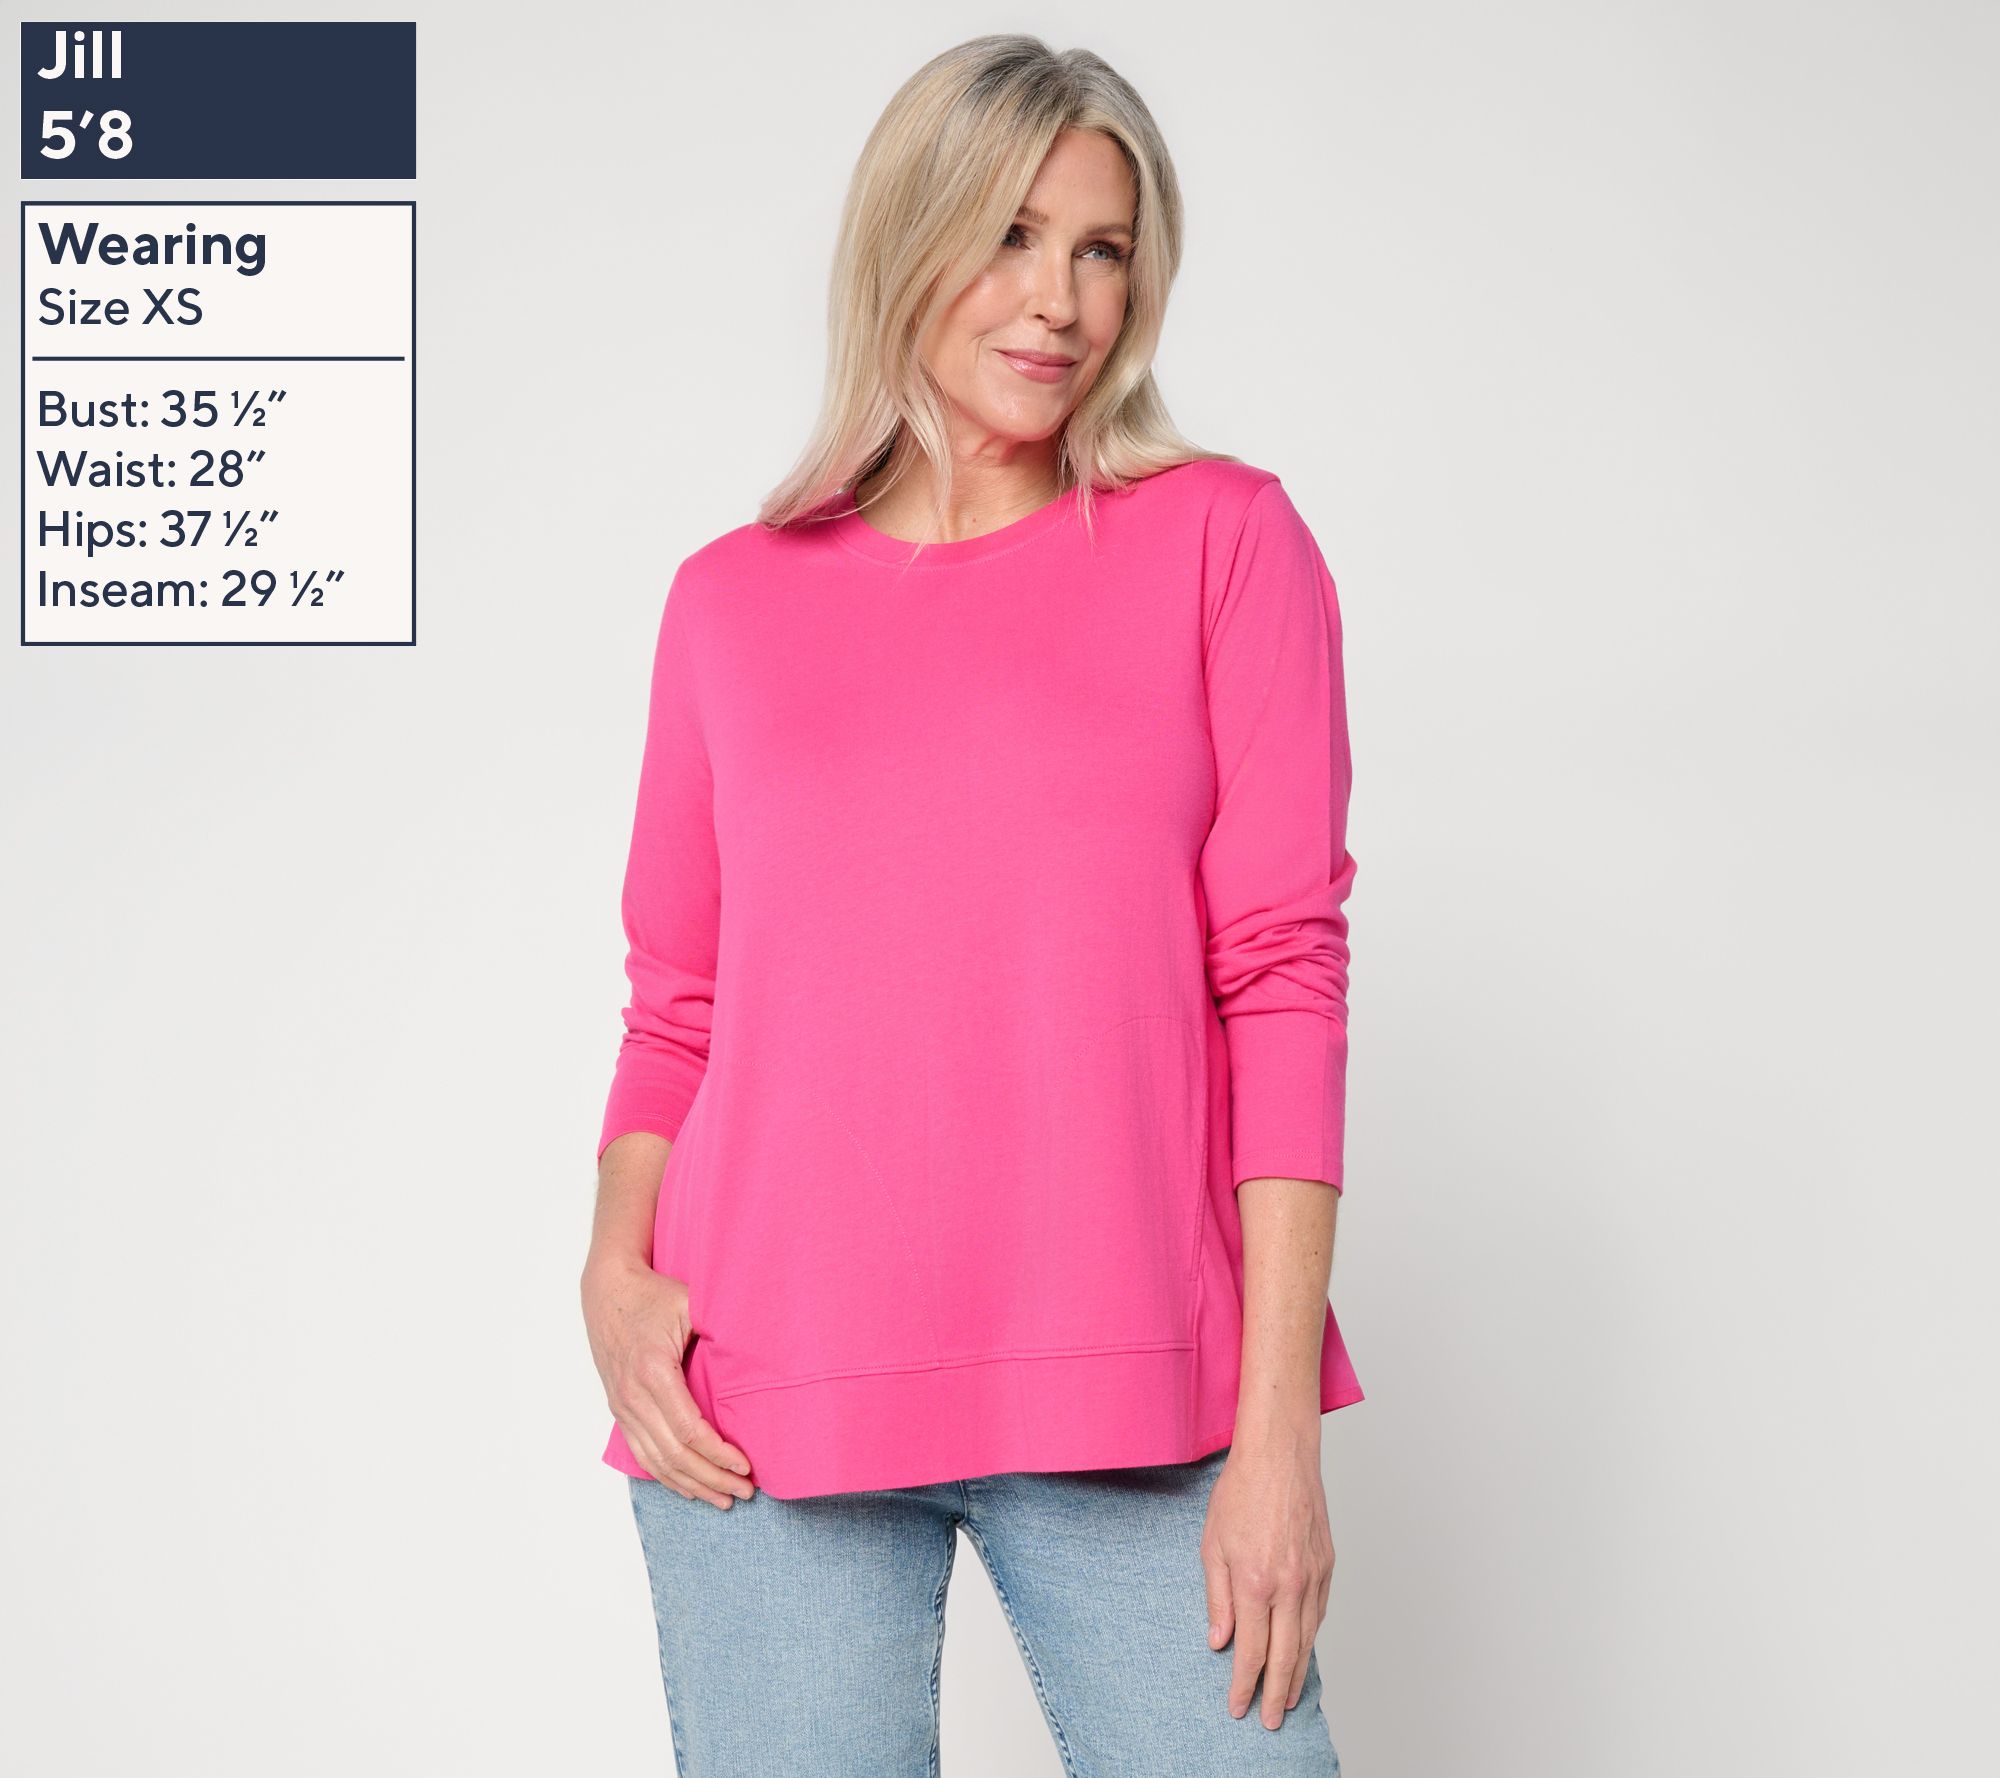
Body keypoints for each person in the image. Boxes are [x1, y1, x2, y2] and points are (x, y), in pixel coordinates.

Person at [580, 33, 1360, 1775]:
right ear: (908, 237)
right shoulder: (728, 604)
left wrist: (1280, 1438)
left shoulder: (1224, 543)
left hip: (1143, 1389)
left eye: (1102, 249)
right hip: (759, 1402)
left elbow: (1283, 980)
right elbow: (677, 1005)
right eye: (1011, 234)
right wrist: (613, 1272)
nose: (1059, 300)